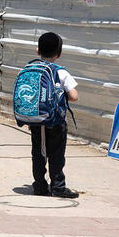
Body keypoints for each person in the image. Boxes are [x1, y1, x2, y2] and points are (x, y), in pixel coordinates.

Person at [27, 32, 80, 199]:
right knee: (56, 154)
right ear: (59, 54)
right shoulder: (61, 72)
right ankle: (58, 187)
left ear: (38, 51)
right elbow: (74, 96)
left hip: (36, 120)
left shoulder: (31, 69)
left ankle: (39, 186)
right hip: (56, 121)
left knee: (38, 153)